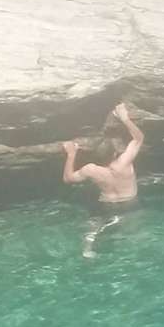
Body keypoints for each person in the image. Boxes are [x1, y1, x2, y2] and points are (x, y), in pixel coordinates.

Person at [61, 102, 144, 257]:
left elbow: (68, 178)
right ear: (114, 154)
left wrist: (71, 154)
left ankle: (88, 249)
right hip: (130, 202)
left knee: (96, 224)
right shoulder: (124, 162)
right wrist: (125, 118)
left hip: (108, 204)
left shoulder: (91, 169)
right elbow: (139, 139)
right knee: (131, 229)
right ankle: (127, 252)